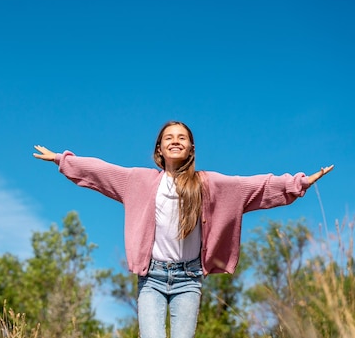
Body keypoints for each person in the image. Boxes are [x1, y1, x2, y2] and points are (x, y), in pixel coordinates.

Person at [32, 120, 333, 338]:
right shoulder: (138, 180)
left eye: (182, 137)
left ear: (190, 147)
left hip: (189, 279)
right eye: (168, 137)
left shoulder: (209, 184)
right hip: (151, 278)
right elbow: (100, 171)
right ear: (159, 149)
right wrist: (62, 159)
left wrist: (298, 183)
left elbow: (255, 186)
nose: (175, 140)